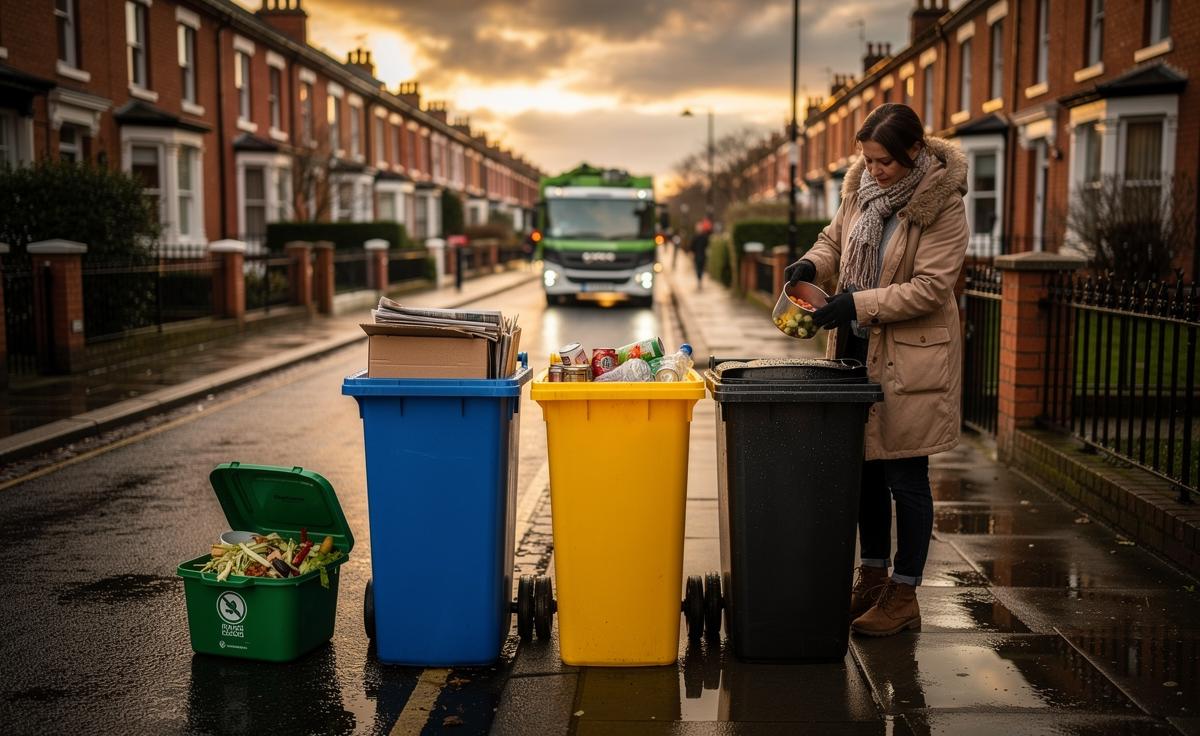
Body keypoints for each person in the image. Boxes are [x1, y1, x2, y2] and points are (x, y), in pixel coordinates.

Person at [783, 103, 968, 637]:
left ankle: (904, 592)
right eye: (867, 159)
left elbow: (932, 288)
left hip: (911, 357)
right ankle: (871, 576)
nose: (874, 170)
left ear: (914, 152)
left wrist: (856, 303)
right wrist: (810, 265)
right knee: (862, 467)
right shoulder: (860, 189)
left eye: (884, 161)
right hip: (857, 352)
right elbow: (834, 241)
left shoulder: (943, 205)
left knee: (905, 475)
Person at [691, 218, 712, 289]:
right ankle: (699, 280)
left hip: (701, 255)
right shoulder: (696, 237)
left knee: (700, 269)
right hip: (698, 256)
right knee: (698, 269)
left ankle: (700, 280)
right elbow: (692, 247)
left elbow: (707, 245)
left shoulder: (703, 237)